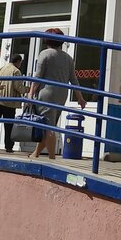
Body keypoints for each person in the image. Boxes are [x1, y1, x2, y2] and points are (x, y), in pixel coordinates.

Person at [26, 28, 86, 160]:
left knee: (48, 128)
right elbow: (74, 79)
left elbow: (38, 76)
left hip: (46, 93)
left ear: (47, 40)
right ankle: (35, 153)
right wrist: (80, 98)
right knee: (49, 124)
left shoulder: (45, 54)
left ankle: (52, 157)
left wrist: (30, 93)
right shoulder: (68, 58)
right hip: (61, 95)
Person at [0, 54, 26, 152]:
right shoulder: (16, 71)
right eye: (20, 62)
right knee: (9, 125)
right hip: (9, 101)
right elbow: (18, 87)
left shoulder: (2, 68)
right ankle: (8, 146)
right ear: (18, 61)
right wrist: (27, 90)